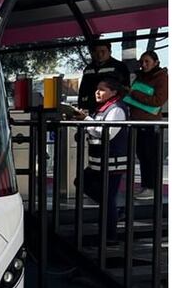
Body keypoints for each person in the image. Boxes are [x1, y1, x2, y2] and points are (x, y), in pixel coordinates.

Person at [69, 78, 128, 240]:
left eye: (102, 89)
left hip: (112, 164)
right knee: (83, 183)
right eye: (97, 88)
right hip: (98, 163)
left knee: (107, 199)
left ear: (114, 92)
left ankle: (110, 236)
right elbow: (95, 129)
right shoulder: (102, 109)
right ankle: (112, 212)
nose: (97, 92)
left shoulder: (117, 109)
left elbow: (107, 133)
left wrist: (86, 120)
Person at [124, 50, 167, 200]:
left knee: (150, 156)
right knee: (142, 155)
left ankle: (152, 187)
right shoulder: (140, 76)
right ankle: (146, 185)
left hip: (150, 122)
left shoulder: (162, 78)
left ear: (156, 62)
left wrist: (134, 94)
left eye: (147, 61)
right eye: (142, 62)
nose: (143, 64)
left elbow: (158, 101)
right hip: (136, 121)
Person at [78, 41, 130, 114]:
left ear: (110, 52)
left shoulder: (119, 66)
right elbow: (82, 90)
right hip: (90, 106)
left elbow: (125, 88)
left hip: (111, 107)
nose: (99, 54)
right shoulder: (88, 68)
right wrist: (81, 106)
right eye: (96, 52)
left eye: (103, 51)